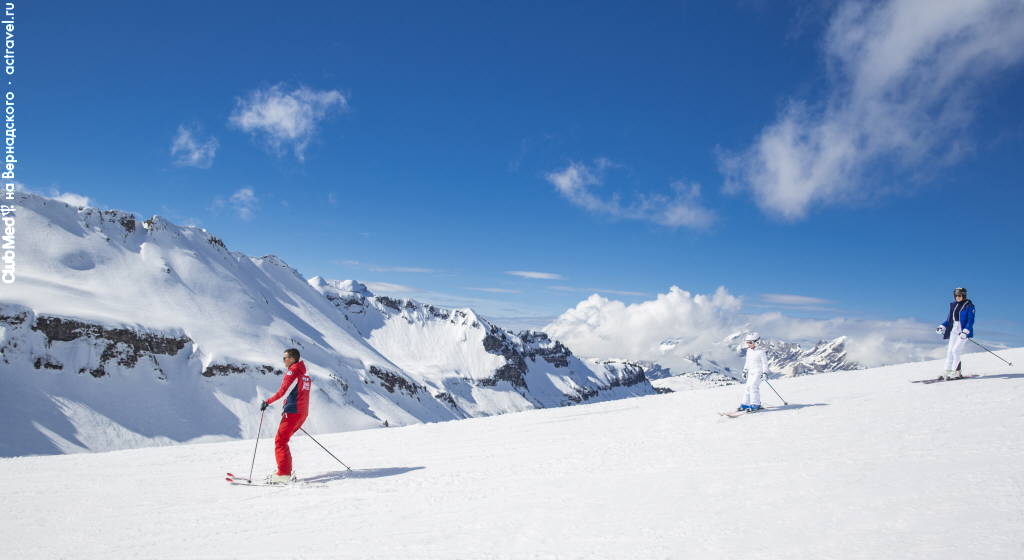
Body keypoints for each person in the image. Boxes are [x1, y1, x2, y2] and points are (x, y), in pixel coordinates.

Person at [261, 348, 312, 483]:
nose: (283, 360)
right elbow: (298, 394)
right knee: (283, 440)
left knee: (280, 441)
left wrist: (267, 402)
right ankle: (285, 471)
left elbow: (282, 391)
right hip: (302, 412)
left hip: (293, 412)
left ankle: (283, 474)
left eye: (285, 358)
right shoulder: (304, 375)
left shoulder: (292, 371)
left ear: (292, 358)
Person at [936, 287, 976, 380]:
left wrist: (965, 331)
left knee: (955, 350)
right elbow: (949, 319)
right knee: (950, 351)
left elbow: (971, 320)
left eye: (959, 295)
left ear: (964, 295)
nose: (957, 297)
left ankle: (957, 372)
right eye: (956, 295)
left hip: (963, 331)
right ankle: (947, 371)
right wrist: (942, 326)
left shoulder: (969, 306)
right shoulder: (954, 305)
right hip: (954, 329)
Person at [738, 332, 770, 412]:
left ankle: (755, 404)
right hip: (751, 372)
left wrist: (765, 373)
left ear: (757, 342)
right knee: (747, 387)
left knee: (753, 387)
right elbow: (747, 362)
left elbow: (765, 363)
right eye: (747, 342)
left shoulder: (761, 352)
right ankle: (745, 404)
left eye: (750, 342)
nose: (748, 344)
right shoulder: (749, 351)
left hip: (758, 372)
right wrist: (745, 370)